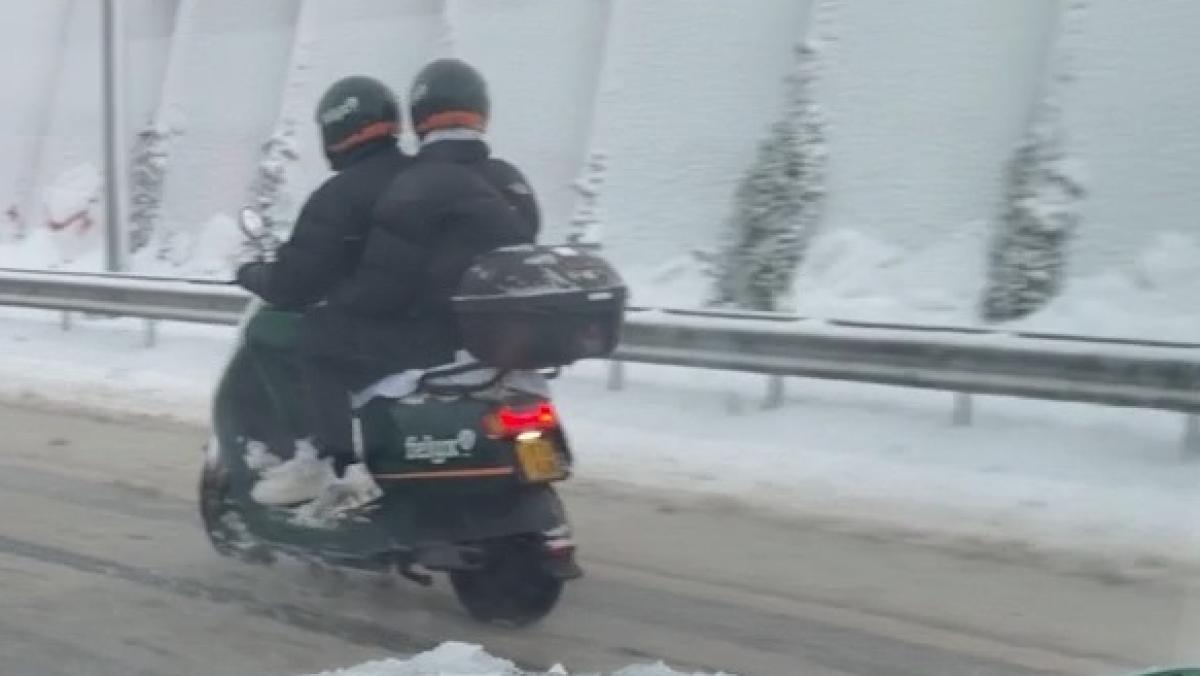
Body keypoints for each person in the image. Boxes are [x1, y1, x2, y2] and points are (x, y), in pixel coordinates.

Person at [284, 57, 543, 518]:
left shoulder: (415, 186)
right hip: (496, 337)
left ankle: (341, 469)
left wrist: (339, 300)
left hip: (432, 335)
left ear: (420, 115)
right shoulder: (508, 179)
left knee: (319, 340)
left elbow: (384, 286)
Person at [236, 75, 410, 507]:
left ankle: (321, 457)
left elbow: (293, 283)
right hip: (431, 328)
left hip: (377, 332)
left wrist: (251, 274)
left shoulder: (340, 196)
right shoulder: (425, 176)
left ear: (335, 129)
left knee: (274, 335)